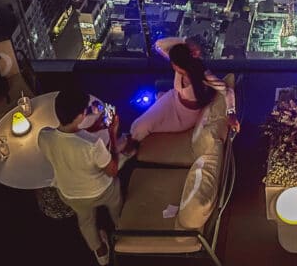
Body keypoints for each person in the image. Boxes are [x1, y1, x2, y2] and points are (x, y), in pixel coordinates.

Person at [38, 87, 123, 265]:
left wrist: (91, 121)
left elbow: (69, 141)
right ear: (80, 116)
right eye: (84, 111)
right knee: (116, 203)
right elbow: (112, 170)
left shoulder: (44, 136)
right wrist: (113, 135)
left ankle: (101, 254)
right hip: (101, 190)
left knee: (85, 222)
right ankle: (120, 229)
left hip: (70, 194)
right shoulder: (93, 145)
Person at [127, 40, 239, 145]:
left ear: (177, 64)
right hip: (172, 100)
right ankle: (131, 141)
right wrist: (185, 41)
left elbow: (227, 90)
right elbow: (159, 45)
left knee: (145, 126)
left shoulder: (203, 75)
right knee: (139, 125)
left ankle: (129, 149)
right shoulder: (180, 65)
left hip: (184, 117)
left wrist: (231, 114)